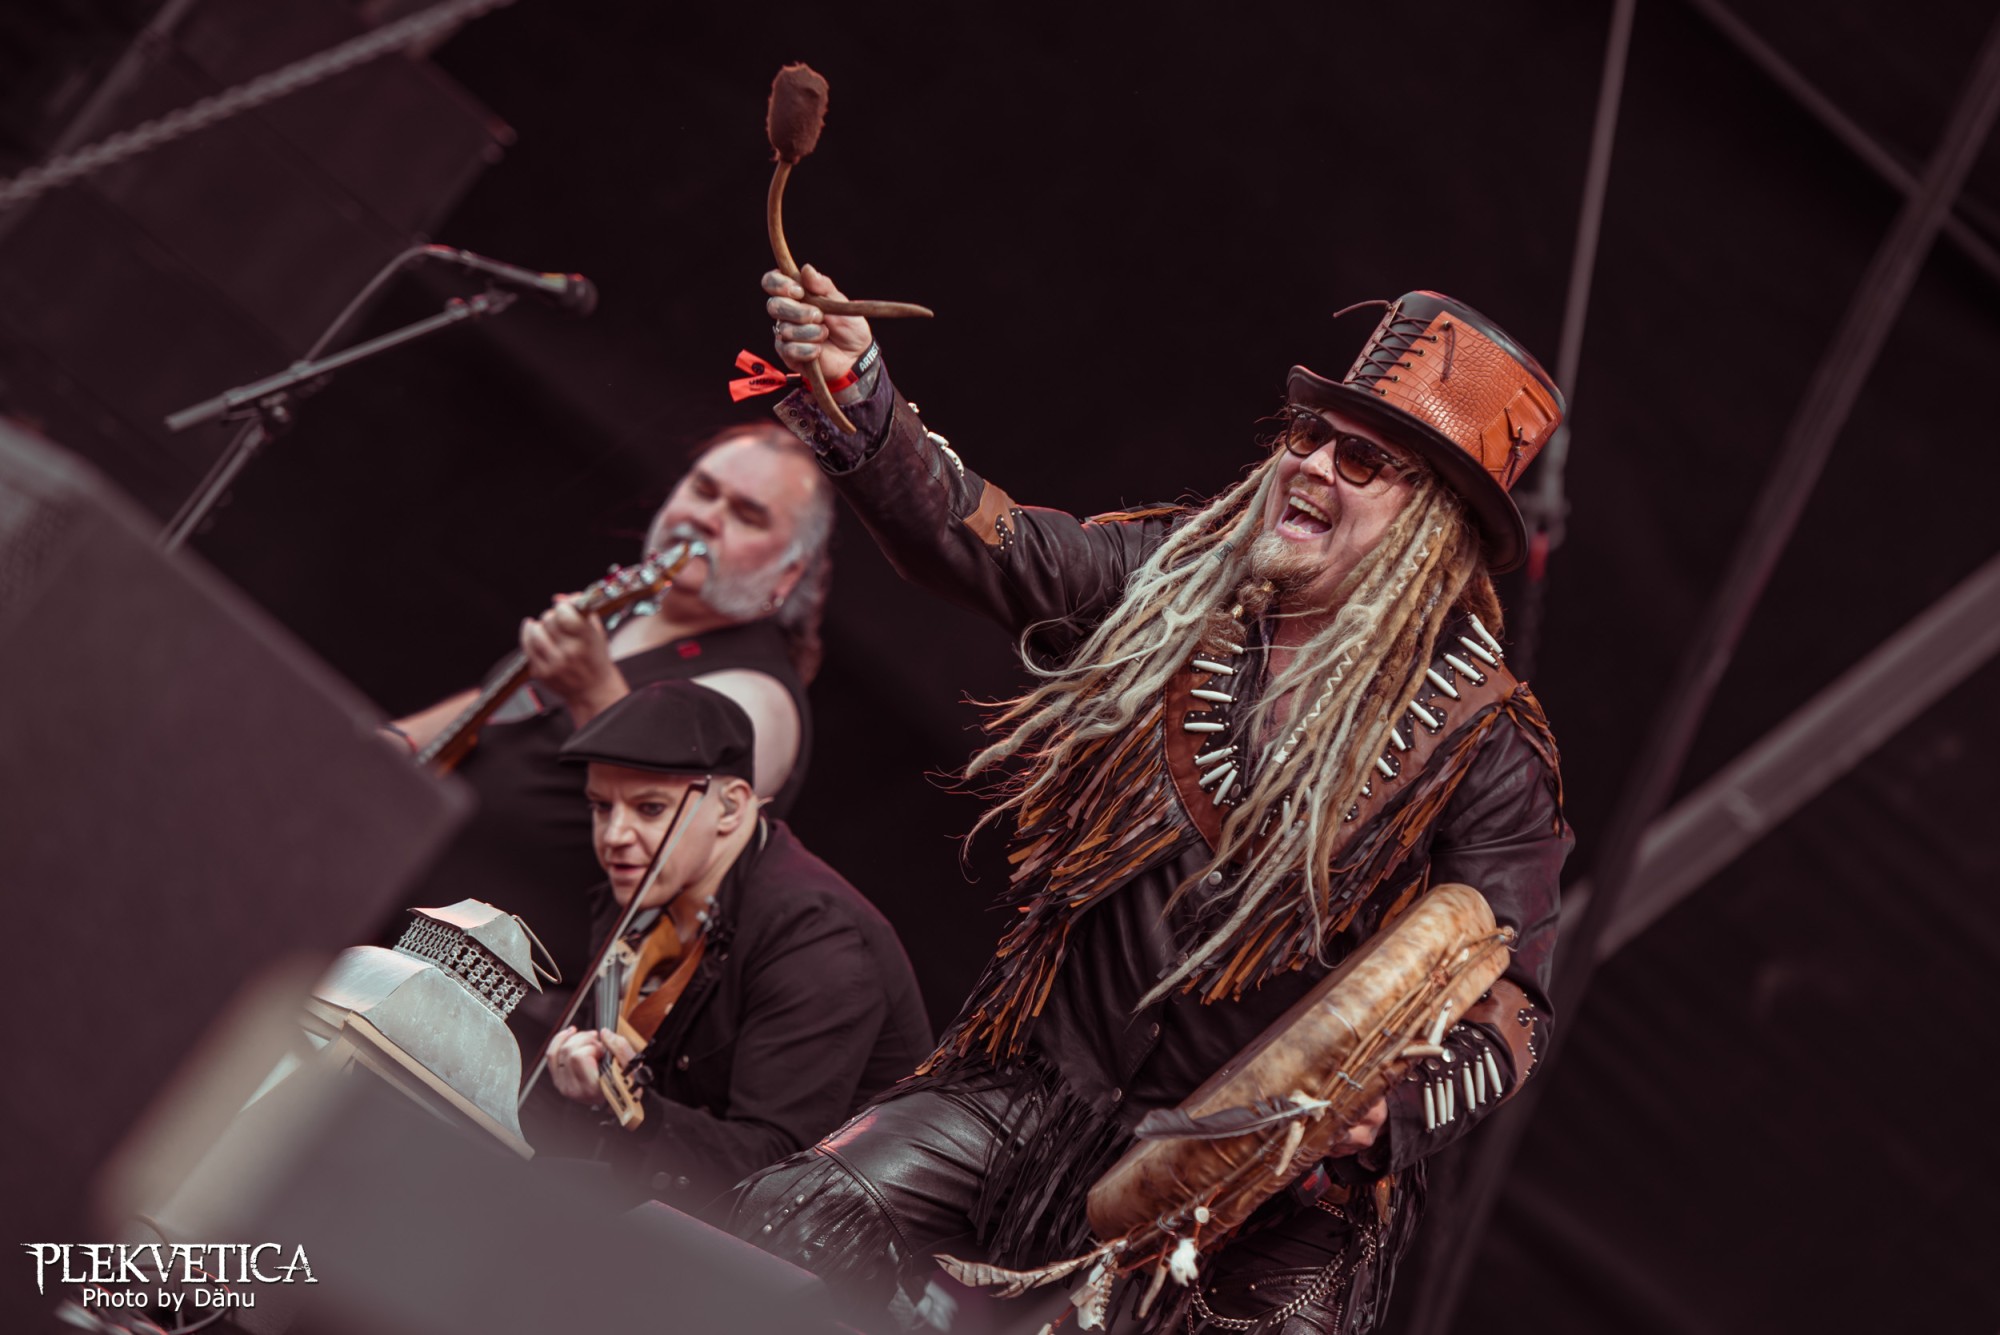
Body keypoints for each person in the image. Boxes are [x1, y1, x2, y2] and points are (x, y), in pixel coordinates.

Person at [721, 267, 1573, 1334]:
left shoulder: (1486, 747)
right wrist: (858, 390)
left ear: (1431, 523)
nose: (1311, 463)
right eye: (1307, 434)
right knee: (797, 1213)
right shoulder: (1174, 578)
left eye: (1360, 460)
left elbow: (1514, 1011)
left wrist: (1383, 1110)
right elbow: (989, 544)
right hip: (1039, 1097)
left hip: (1265, 1201)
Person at [391, 422, 837, 995]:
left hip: (490, 984)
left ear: (789, 574)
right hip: (391, 904)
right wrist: (382, 746)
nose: (708, 518)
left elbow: (676, 843)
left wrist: (593, 691)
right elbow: (498, 706)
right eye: (703, 490)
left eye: (747, 516)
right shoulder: (628, 606)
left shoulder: (763, 698)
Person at [529, 678, 933, 1210]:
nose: (614, 836)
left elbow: (771, 1166)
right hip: (648, 1211)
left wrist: (637, 1109)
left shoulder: (819, 940)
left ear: (730, 807)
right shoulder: (644, 885)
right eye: (602, 807)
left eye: (649, 809)